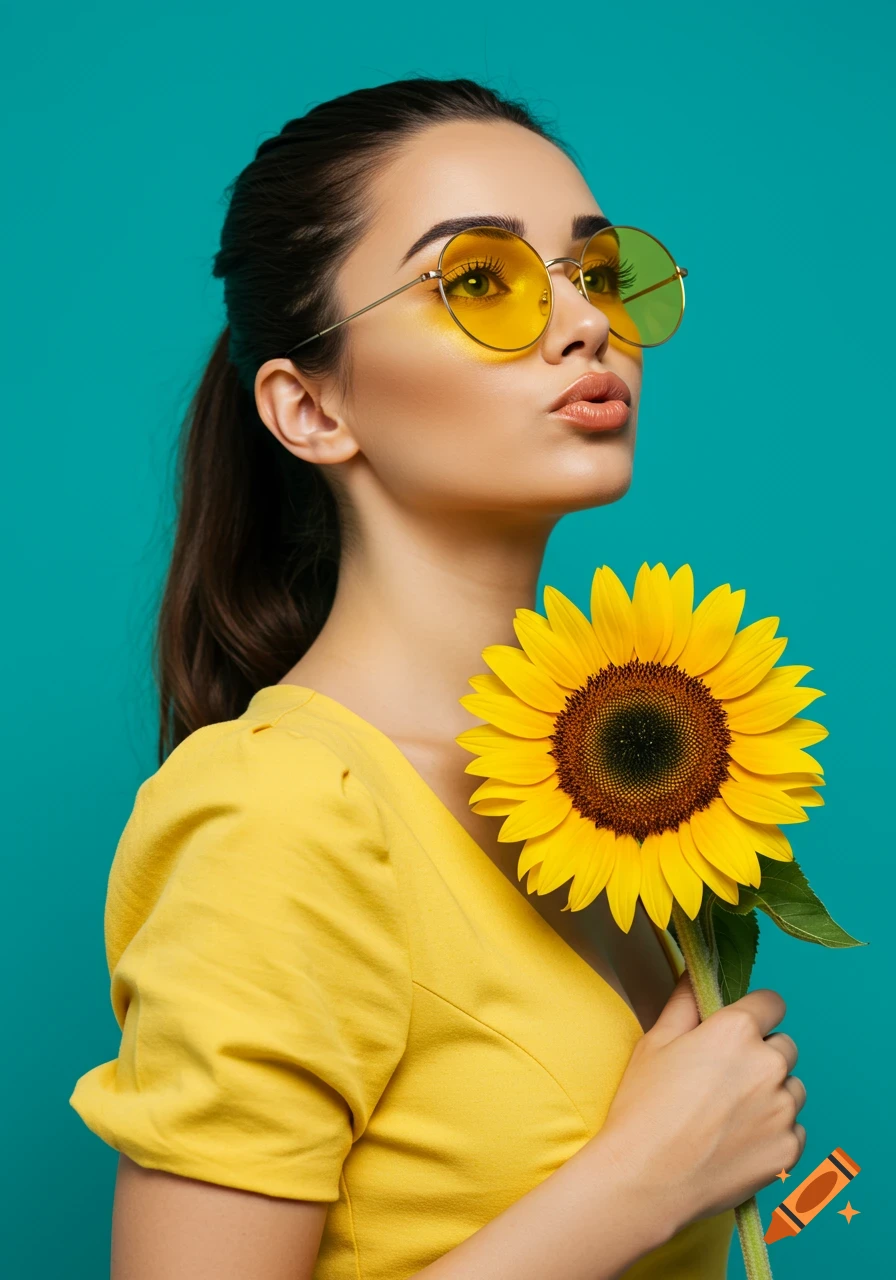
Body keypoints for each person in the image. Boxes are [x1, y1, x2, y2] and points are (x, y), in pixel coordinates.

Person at [69, 76, 806, 1280]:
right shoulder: (282, 815)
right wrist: (633, 1184)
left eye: (597, 270)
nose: (584, 323)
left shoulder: (618, 782)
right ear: (310, 408)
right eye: (479, 281)